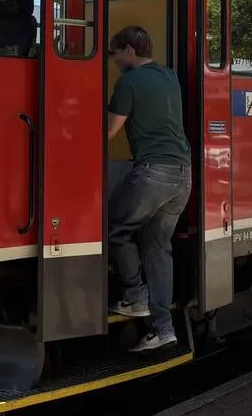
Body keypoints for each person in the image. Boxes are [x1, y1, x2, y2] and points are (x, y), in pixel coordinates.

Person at [105, 25, 192, 352]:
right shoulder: (169, 76)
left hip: (154, 171)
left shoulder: (128, 82)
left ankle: (135, 296)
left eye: (115, 53)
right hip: (183, 174)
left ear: (128, 50)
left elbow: (110, 131)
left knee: (116, 225)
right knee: (158, 248)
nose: (114, 61)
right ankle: (163, 329)